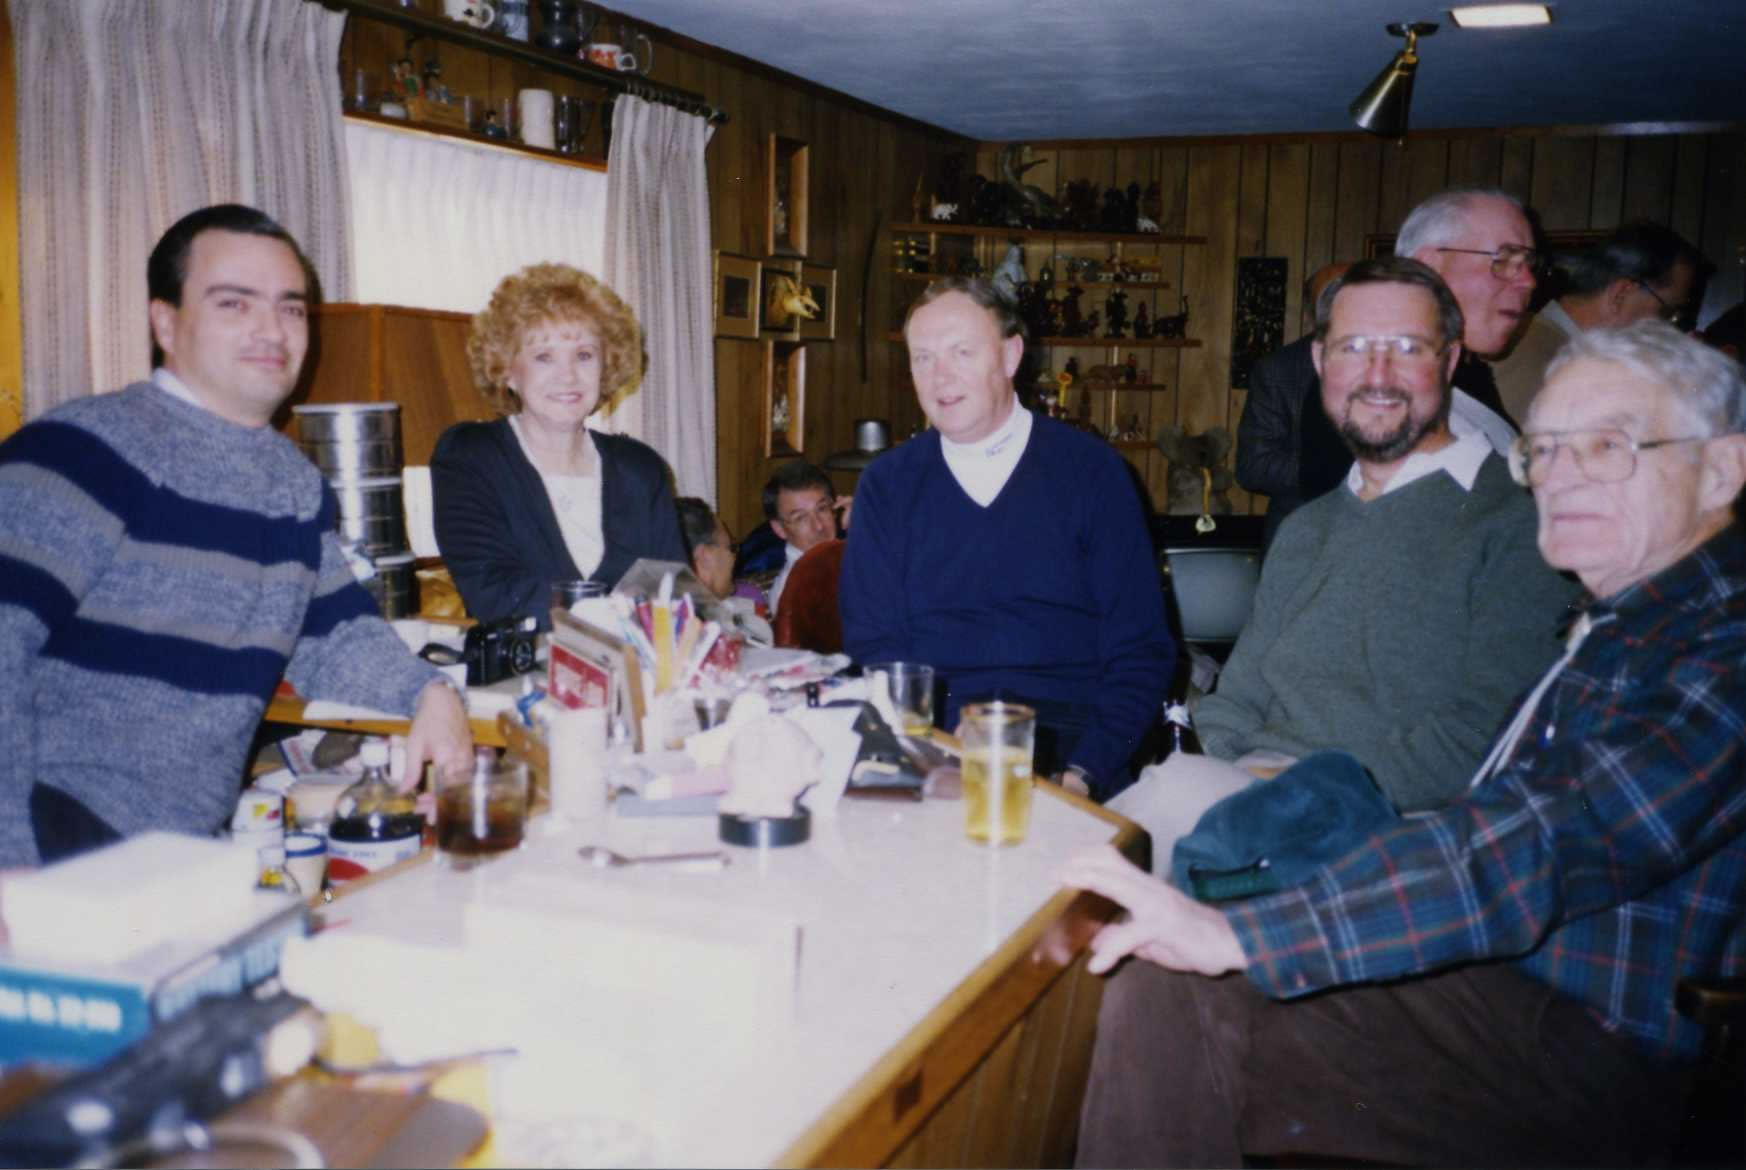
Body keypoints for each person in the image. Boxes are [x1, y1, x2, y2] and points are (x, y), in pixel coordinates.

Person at [1067, 319, 1746, 1168]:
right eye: (1544, 450)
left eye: (1607, 446)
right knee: (1163, 976)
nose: (1562, 477)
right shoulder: (1618, 624)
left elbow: (1544, 840)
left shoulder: (1723, 645)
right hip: (1497, 990)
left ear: (1723, 468)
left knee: (1181, 975)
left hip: (1597, 1053)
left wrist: (1248, 936)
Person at [0, 204, 472, 868]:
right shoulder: (80, 452)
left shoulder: (293, 484)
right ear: (166, 322)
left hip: (185, 852)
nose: (271, 329)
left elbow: (336, 636)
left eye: (290, 308)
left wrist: (433, 695)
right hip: (57, 843)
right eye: (234, 303)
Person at [1109, 256, 1580, 864]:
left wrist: (1288, 789)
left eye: (1407, 348)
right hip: (1251, 804)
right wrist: (1238, 778)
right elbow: (1235, 697)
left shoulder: (1520, 524)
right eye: (1352, 348)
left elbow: (1481, 741)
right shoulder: (1307, 527)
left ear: (1450, 362)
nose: (1377, 375)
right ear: (1319, 362)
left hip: (1390, 837)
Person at [839, 277, 1175, 801]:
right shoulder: (887, 485)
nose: (940, 376)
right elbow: (877, 649)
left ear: (1012, 355)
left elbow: (1143, 651)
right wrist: (931, 757)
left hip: (1072, 749)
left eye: (962, 352)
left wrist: (1087, 772)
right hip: (937, 747)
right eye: (923, 357)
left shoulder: (1092, 473)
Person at [431, 263, 688, 629]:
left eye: (584, 355)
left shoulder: (640, 468)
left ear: (607, 366)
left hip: (634, 663)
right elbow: (494, 593)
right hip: (527, 664)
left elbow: (673, 598)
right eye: (544, 357)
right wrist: (613, 615)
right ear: (507, 370)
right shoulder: (471, 456)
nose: (568, 376)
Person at [1494, 220, 1706, 422]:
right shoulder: (1535, 358)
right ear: (1620, 294)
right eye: (1667, 313)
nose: (1669, 329)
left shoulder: (1557, 350)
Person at [1393, 187, 1543, 438]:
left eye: (1529, 265)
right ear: (1428, 267)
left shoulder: (1467, 371)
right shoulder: (1374, 386)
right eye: (1504, 260)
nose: (1529, 282)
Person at [1235, 263, 1351, 547]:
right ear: (1311, 316)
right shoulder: (1279, 370)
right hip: (1300, 538)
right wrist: (1341, 470)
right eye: (1328, 299)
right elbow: (1254, 466)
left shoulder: (1395, 365)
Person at [761, 461, 848, 616]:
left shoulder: (844, 553)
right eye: (801, 518)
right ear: (779, 529)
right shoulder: (792, 593)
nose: (819, 526)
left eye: (822, 509)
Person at [675, 495, 764, 608]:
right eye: (732, 548)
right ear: (705, 558)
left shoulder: (658, 610)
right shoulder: (746, 606)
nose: (734, 557)